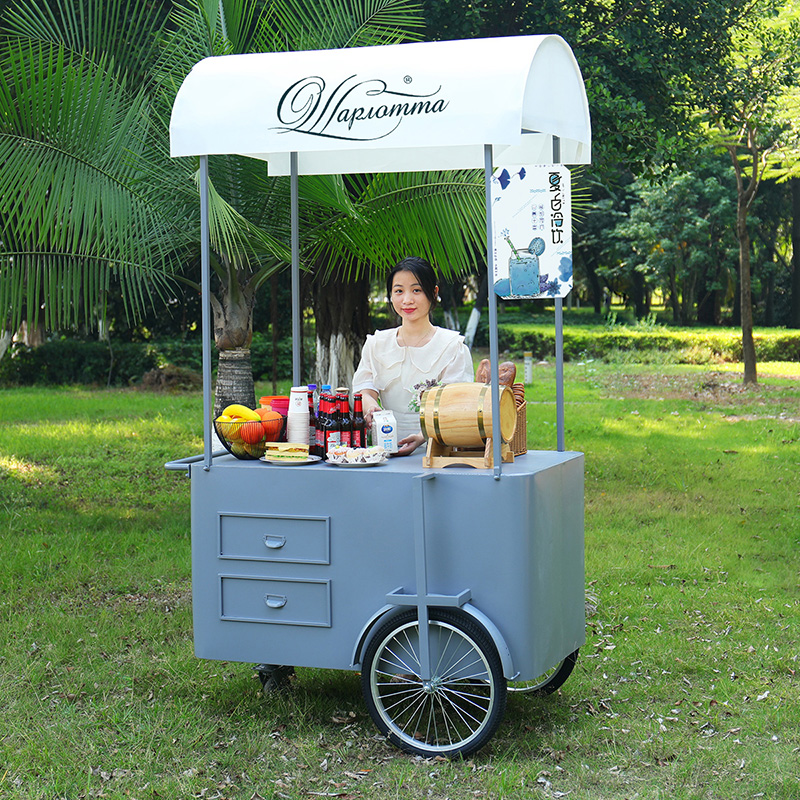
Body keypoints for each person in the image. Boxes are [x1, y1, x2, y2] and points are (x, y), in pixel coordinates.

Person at [352, 256, 474, 455]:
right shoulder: (376, 343)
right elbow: (364, 389)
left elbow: (457, 406)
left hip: (438, 450)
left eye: (416, 290)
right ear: (390, 295)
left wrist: (422, 435)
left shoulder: (452, 347)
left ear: (433, 292)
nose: (407, 300)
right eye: (399, 291)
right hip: (383, 450)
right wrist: (371, 406)